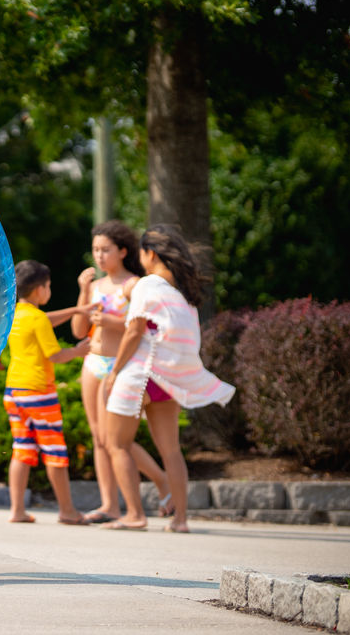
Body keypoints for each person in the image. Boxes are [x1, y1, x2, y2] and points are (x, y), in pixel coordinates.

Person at [100, 225, 235, 533]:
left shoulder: (147, 285)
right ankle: (181, 520)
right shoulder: (183, 294)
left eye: (141, 254)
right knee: (171, 450)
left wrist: (115, 371)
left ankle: (135, 514)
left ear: (150, 254)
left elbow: (134, 331)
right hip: (169, 377)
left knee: (115, 443)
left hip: (140, 372)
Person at [70, 221, 170, 524]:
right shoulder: (95, 287)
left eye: (105, 250)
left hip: (121, 365)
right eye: (95, 250)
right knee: (99, 439)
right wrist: (83, 291)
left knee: (115, 439)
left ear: (122, 251)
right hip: (93, 363)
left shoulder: (133, 285)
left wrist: (111, 322)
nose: (99, 256)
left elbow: (140, 328)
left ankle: (160, 480)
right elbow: (78, 331)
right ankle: (109, 505)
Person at [2, 260, 93, 526]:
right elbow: (55, 354)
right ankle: (67, 511)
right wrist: (78, 351)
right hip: (39, 393)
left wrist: (77, 309)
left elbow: (44, 320)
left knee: (22, 450)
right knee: (54, 451)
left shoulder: (16, 314)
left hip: (15, 392)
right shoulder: (38, 319)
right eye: (49, 286)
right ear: (40, 290)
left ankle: (17, 511)